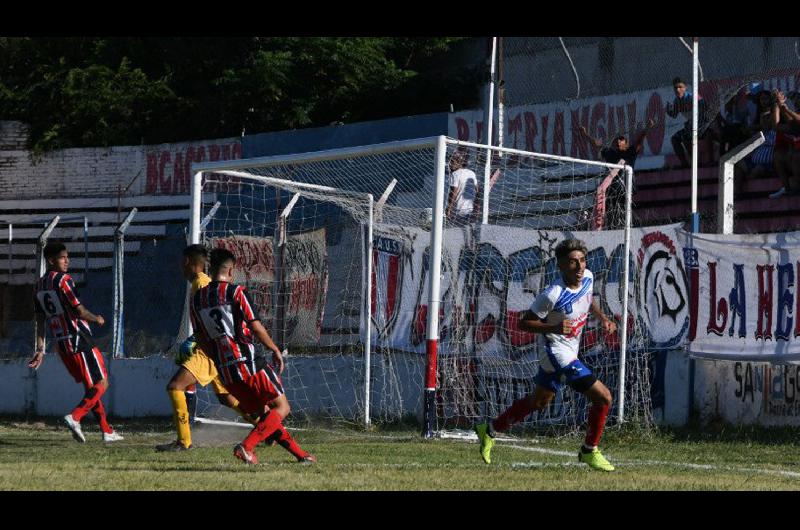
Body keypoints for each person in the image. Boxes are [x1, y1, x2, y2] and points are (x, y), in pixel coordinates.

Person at [474, 239, 618, 471]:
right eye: (573, 262)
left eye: (582, 260)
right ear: (561, 266)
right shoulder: (553, 293)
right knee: (603, 397)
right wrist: (554, 327)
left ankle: (489, 430)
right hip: (556, 352)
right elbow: (525, 322)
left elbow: (588, 299)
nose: (579, 267)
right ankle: (589, 451)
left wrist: (603, 318)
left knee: (539, 401)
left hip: (570, 348)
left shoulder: (588, 277)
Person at [190, 248, 315, 465]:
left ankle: (301, 455)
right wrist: (275, 349)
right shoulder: (237, 292)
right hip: (249, 363)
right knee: (282, 408)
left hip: (227, 372)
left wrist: (218, 360)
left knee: (266, 415)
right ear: (230, 270)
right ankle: (246, 447)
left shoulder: (197, 299)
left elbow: (200, 338)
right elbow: (255, 327)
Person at [156, 244, 259, 452]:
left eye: (181, 264)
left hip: (209, 350)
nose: (180, 268)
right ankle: (266, 427)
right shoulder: (200, 282)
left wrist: (195, 341)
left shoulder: (201, 283)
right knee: (226, 397)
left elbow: (212, 318)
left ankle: (184, 442)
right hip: (213, 348)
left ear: (187, 262)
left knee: (175, 386)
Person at [28, 241, 123, 443]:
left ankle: (107, 430)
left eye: (67, 256)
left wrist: (40, 349)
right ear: (51, 260)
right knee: (102, 382)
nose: (67, 260)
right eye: (63, 257)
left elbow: (40, 319)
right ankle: (76, 416)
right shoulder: (63, 280)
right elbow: (79, 310)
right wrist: (96, 318)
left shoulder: (38, 285)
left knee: (91, 386)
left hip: (61, 343)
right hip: (79, 337)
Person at [579, 118, 655, 228]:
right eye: (617, 140)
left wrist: (648, 128)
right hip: (611, 190)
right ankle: (609, 227)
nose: (619, 141)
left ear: (626, 144)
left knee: (624, 214)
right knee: (611, 215)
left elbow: (640, 140)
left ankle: (627, 227)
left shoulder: (630, 153)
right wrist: (585, 134)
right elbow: (596, 144)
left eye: (621, 140)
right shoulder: (610, 153)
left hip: (625, 190)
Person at [666, 77, 708, 169]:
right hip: (690, 126)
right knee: (675, 139)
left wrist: (694, 122)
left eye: (680, 87)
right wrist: (668, 110)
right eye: (675, 88)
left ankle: (695, 162)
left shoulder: (693, 97)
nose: (678, 90)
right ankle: (684, 164)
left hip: (702, 125)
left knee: (686, 136)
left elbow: (705, 109)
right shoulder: (677, 101)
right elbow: (674, 115)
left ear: (685, 88)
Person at [770, 89, 800, 198]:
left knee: (797, 155)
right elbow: (776, 126)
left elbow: (797, 120)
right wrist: (778, 104)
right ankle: (787, 188)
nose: (796, 101)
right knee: (779, 156)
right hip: (795, 157)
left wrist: (786, 109)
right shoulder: (793, 123)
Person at [446, 149, 479, 226]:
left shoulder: (455, 174)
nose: (450, 164)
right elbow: (477, 191)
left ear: (459, 163)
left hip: (458, 210)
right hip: (470, 209)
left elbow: (453, 193)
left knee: (456, 233)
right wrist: (477, 207)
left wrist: (449, 208)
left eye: (452, 162)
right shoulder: (472, 173)